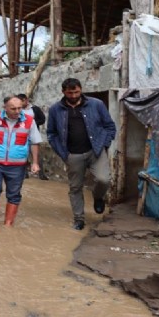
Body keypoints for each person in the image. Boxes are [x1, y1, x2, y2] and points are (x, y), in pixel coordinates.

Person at [46, 78, 116, 230]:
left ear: (81, 89)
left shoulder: (96, 104)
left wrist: (105, 144)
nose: (73, 95)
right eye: (70, 92)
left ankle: (98, 197)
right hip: (72, 154)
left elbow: (109, 126)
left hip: (96, 150)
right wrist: (62, 153)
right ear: (63, 92)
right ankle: (79, 219)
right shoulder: (55, 109)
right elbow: (51, 133)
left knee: (103, 179)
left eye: (76, 92)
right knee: (75, 187)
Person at [0, 95, 41, 229]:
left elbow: (35, 142)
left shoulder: (29, 121)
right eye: (13, 108)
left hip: (17, 165)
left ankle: (8, 223)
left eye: (20, 108)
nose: (17, 111)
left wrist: (35, 162)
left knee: (14, 193)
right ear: (5, 107)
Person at [18, 93, 49, 180]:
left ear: (26, 100)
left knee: (37, 155)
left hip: (33, 135)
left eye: (22, 101)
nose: (20, 104)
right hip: (21, 136)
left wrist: (33, 123)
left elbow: (42, 119)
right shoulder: (18, 110)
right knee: (23, 155)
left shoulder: (35, 109)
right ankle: (24, 173)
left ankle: (41, 174)